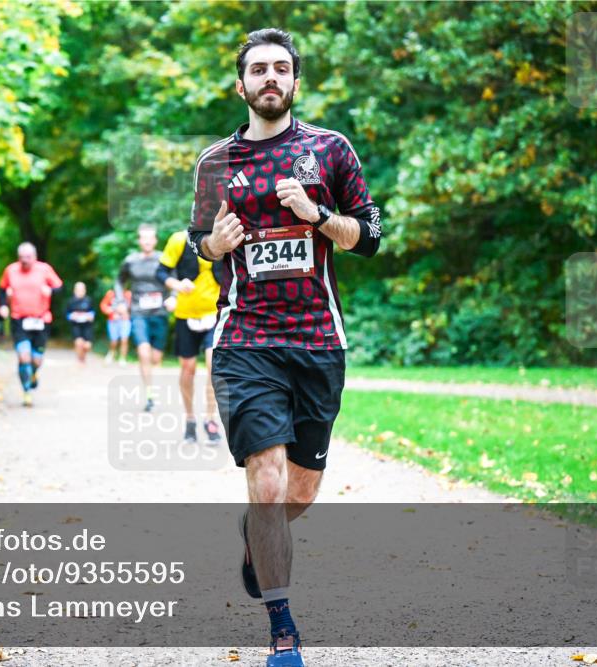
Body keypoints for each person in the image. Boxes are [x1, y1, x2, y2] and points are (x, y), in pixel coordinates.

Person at [186, 28, 383, 667]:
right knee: (266, 483)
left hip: (319, 342)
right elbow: (198, 245)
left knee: (298, 494)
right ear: (240, 85)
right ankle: (283, 630)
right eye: (258, 70)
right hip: (244, 338)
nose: (269, 78)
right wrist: (216, 244)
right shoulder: (215, 164)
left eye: (280, 69)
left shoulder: (329, 152)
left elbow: (370, 236)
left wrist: (318, 214)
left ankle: (255, 534)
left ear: (294, 82)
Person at [156, 229, 223, 445]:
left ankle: (210, 419)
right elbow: (161, 272)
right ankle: (190, 419)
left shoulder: (223, 235)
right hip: (186, 314)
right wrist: (176, 285)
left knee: (214, 365)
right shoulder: (178, 239)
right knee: (188, 369)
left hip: (215, 313)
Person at [0, 242, 64, 407]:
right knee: (24, 357)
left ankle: (33, 374)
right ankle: (26, 391)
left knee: (36, 360)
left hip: (41, 320)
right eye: (21, 257)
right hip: (19, 319)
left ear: (34, 257)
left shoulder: (44, 269)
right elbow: (1, 289)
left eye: (28, 257)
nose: (24, 261)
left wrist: (51, 291)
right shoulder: (11, 270)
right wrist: (4, 305)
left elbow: (60, 287)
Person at [116, 224, 171, 412]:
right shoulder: (130, 261)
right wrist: (120, 302)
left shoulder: (164, 259)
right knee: (143, 352)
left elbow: (176, 278)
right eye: (143, 238)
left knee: (156, 358)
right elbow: (119, 281)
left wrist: (174, 298)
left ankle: (153, 387)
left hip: (160, 313)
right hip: (138, 313)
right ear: (139, 241)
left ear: (155, 240)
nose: (147, 241)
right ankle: (149, 395)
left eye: (150, 238)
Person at [65, 281, 96, 364]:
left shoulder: (89, 300)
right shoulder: (70, 301)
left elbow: (93, 312)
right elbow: (66, 314)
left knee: (87, 346)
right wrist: (71, 316)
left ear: (85, 290)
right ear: (74, 290)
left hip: (87, 326)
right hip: (76, 325)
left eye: (82, 290)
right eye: (78, 290)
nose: (80, 291)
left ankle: (83, 357)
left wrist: (90, 316)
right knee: (79, 343)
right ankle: (79, 360)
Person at [99, 287, 132, 365]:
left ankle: (122, 358)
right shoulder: (110, 294)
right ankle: (111, 353)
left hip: (125, 320)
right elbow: (103, 305)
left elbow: (133, 307)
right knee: (113, 341)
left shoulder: (129, 294)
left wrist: (127, 312)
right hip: (113, 320)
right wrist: (111, 311)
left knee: (125, 339)